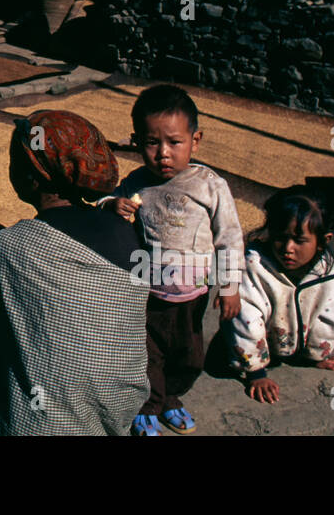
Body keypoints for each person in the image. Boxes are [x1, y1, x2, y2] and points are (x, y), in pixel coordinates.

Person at [0, 110, 149, 435]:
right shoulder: (126, 234)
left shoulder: (8, 248)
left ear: (33, 177)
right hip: (112, 415)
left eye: (15, 160)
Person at [101, 85, 243, 436]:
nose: (163, 153)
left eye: (174, 142)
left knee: (190, 357)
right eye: (152, 143)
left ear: (196, 141)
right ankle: (148, 405)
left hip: (192, 297)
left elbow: (229, 237)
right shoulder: (136, 182)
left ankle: (170, 397)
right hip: (146, 293)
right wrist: (110, 205)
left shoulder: (209, 186)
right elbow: (108, 201)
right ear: (137, 142)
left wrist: (229, 286)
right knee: (149, 356)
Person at [226, 188, 334, 404]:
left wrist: (317, 355)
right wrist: (256, 373)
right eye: (281, 238)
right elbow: (247, 320)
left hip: (291, 347)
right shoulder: (255, 267)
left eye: (300, 241)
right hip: (251, 349)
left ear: (323, 240)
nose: (288, 249)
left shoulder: (326, 276)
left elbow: (326, 318)